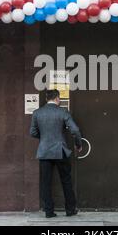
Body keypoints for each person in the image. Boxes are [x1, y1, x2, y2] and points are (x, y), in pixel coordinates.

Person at [29, 89, 82, 218]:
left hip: (44, 150)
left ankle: (49, 211)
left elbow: (32, 132)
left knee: (46, 182)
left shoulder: (37, 113)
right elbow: (75, 129)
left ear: (47, 98)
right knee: (66, 181)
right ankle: (70, 210)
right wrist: (78, 144)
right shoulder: (63, 112)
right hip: (60, 150)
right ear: (57, 98)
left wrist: (45, 138)